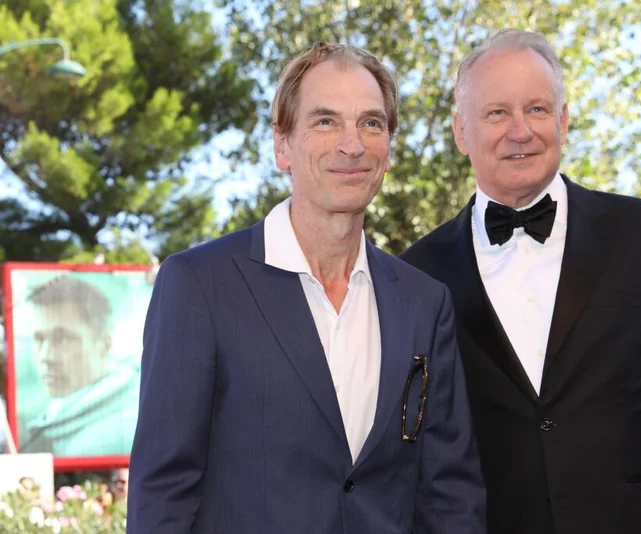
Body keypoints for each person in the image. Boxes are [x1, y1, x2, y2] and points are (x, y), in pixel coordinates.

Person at [401, 29, 641, 533]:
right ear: (461, 131)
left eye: (538, 109)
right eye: (497, 113)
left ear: (563, 120)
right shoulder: (417, 272)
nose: (520, 130)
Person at [127, 41, 486, 534]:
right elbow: (163, 492)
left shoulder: (424, 301)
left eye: (371, 123)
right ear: (282, 145)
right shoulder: (199, 285)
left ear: (388, 146)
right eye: (325, 121)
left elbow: (450, 495)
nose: (352, 144)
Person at [21, 276, 139, 456]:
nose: (46, 356)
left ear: (104, 344)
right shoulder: (61, 417)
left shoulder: (97, 444)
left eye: (63, 339)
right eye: (39, 339)